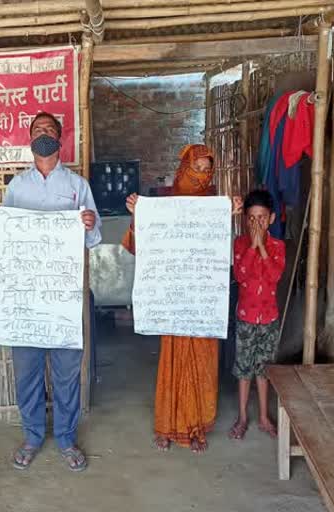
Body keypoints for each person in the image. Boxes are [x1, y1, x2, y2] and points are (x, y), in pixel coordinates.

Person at [0, 112, 101, 472]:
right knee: (27, 372)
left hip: (64, 299)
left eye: (49, 129)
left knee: (67, 373)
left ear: (61, 138)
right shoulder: (17, 186)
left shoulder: (78, 185)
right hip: (26, 298)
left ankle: (66, 438)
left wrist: (89, 223)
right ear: (30, 139)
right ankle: (33, 435)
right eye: (37, 130)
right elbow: (5, 237)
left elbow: (94, 239)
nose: (43, 134)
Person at [122, 144, 242, 453]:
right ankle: (167, 426)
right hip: (173, 300)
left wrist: (231, 215)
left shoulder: (215, 207)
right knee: (172, 363)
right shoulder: (164, 204)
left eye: (206, 170)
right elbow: (137, 246)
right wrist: (139, 216)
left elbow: (223, 252)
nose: (201, 176)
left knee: (203, 364)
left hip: (202, 300)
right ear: (183, 168)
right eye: (195, 168)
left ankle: (197, 426)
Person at [228, 190, 285, 440]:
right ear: (245, 220)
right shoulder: (239, 244)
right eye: (251, 218)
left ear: (271, 218)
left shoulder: (278, 246)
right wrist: (253, 246)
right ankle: (242, 417)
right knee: (244, 369)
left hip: (269, 317)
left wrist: (262, 246)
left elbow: (275, 276)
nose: (257, 223)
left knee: (263, 369)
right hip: (246, 317)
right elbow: (240, 275)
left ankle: (263, 416)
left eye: (261, 218)